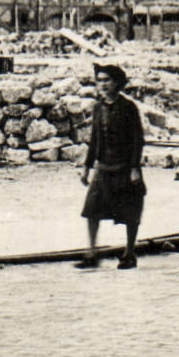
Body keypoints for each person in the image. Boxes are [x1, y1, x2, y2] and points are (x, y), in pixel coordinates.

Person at [78, 62, 145, 269]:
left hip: (125, 167)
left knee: (130, 211)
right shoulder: (98, 109)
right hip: (103, 167)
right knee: (92, 209)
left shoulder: (128, 107)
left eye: (107, 80)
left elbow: (137, 139)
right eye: (99, 81)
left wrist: (135, 168)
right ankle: (91, 253)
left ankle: (129, 253)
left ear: (117, 83)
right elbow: (95, 139)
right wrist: (87, 167)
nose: (103, 85)